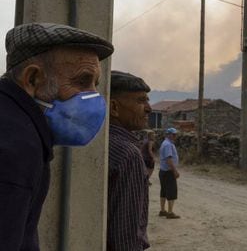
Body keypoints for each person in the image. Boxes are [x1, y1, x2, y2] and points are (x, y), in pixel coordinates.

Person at [0, 22, 114, 250]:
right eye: (82, 81)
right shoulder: (17, 147)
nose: (94, 96)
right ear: (33, 79)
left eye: (95, 84)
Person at [107, 70, 152, 250]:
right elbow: (126, 236)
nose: (149, 108)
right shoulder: (127, 154)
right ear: (114, 107)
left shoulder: (100, 144)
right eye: (140, 101)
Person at [158, 127, 180, 219]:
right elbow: (169, 159)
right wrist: (175, 171)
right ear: (169, 134)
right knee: (171, 191)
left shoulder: (166, 143)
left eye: (175, 134)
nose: (175, 136)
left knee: (163, 190)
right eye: (173, 134)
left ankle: (163, 210)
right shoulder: (168, 145)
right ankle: (170, 212)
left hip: (163, 171)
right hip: (168, 171)